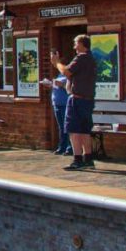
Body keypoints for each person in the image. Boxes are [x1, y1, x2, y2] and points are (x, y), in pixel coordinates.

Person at [49, 34, 97, 170]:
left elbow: (67, 72)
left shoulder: (81, 58)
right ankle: (88, 158)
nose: (74, 46)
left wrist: (56, 62)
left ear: (82, 44)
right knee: (84, 130)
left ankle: (77, 160)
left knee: (74, 130)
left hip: (77, 99)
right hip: (87, 99)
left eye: (76, 43)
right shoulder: (91, 59)